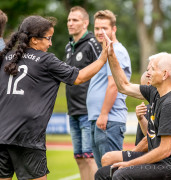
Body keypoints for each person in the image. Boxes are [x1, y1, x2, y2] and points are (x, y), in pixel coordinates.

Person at [0, 15, 110, 180]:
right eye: (48, 38)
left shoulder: (6, 57)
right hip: (26, 135)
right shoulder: (46, 60)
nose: (50, 43)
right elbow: (79, 77)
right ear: (35, 40)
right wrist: (103, 58)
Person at [95, 46, 171, 179]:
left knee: (120, 175)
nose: (148, 73)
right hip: (161, 161)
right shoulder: (156, 92)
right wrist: (112, 55)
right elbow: (124, 86)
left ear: (165, 74)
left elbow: (164, 151)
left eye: (152, 69)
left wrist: (129, 163)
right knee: (103, 174)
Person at [86, 10, 132, 168]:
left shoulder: (116, 50)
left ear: (114, 29)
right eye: (97, 28)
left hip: (108, 121)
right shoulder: (105, 51)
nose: (100, 32)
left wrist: (104, 114)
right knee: (103, 172)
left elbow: (114, 85)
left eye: (104, 28)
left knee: (111, 172)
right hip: (100, 120)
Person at [65, 6, 100, 180]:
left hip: (89, 111)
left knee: (89, 158)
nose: (70, 23)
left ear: (85, 23)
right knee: (79, 158)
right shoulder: (68, 46)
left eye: (75, 20)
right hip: (73, 111)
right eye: (69, 20)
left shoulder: (93, 43)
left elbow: (103, 72)